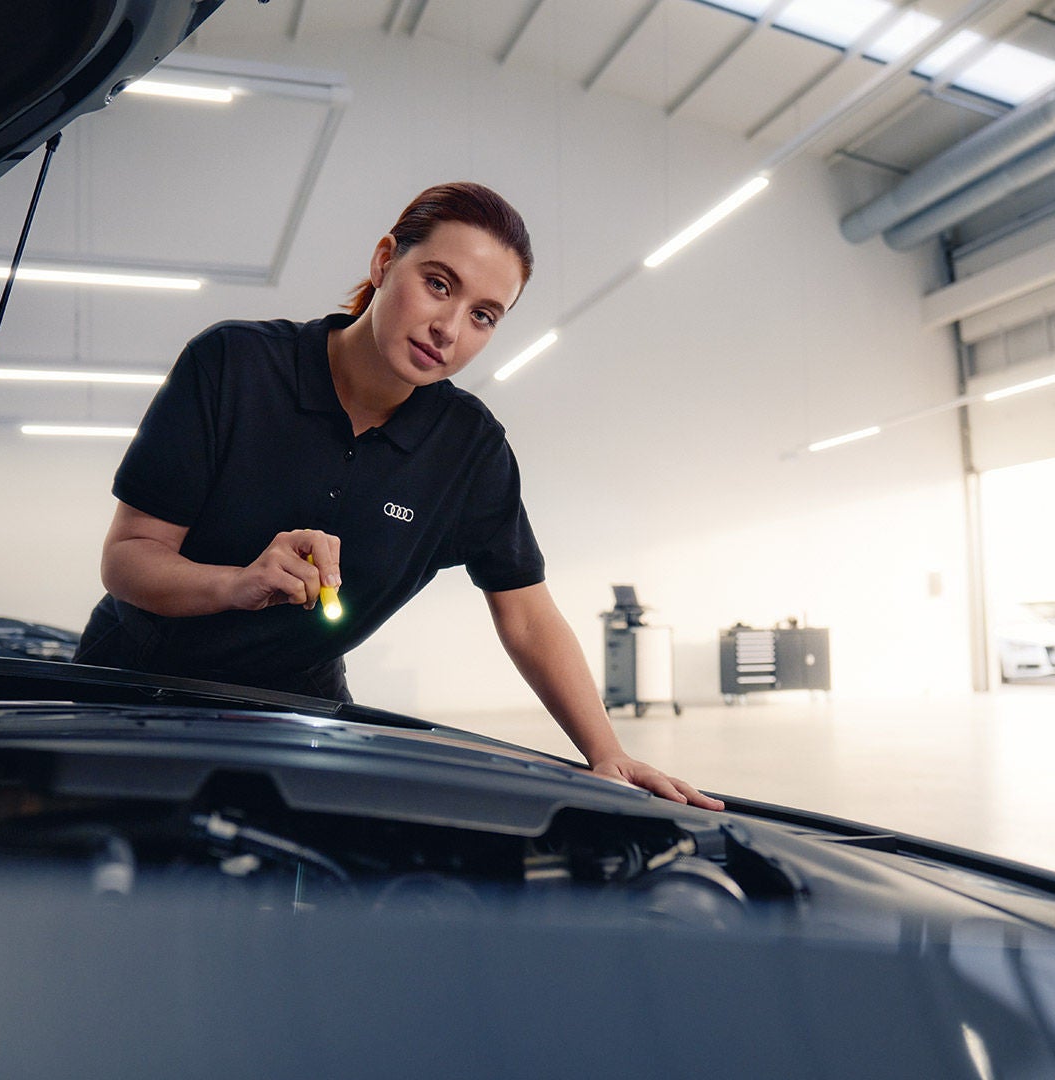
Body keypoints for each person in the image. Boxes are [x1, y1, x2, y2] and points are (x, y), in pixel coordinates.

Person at [77, 181, 721, 810]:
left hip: (297, 709)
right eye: (438, 284)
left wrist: (607, 752)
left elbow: (525, 614)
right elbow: (128, 558)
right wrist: (233, 584)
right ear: (386, 260)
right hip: (140, 688)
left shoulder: (468, 449)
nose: (449, 328)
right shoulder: (234, 365)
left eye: (482, 316)